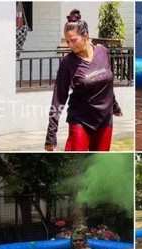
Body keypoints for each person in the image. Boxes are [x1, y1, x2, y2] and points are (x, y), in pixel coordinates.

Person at [45, 9, 123, 151]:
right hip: (80, 120)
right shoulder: (68, 63)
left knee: (99, 162)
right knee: (77, 161)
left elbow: (108, 84)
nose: (70, 45)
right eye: (67, 41)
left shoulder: (103, 52)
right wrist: (51, 135)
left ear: (85, 35)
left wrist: (115, 106)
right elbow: (58, 98)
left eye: (73, 40)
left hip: (105, 119)